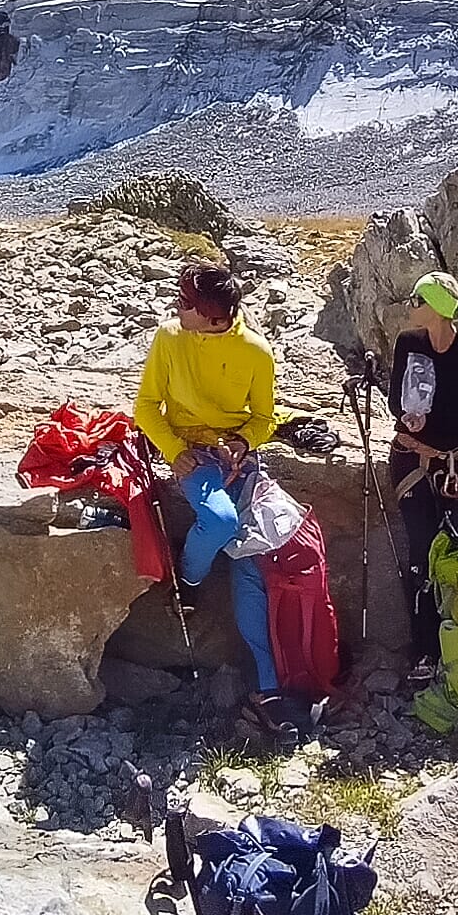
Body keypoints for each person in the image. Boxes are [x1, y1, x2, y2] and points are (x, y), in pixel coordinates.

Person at [133, 259, 290, 727]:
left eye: (188, 304)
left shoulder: (257, 353)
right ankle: (187, 579)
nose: (178, 308)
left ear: (214, 316)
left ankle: (267, 689)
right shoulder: (169, 339)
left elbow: (264, 418)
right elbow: (145, 406)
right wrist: (176, 451)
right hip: (190, 454)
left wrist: (242, 444)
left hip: (235, 457)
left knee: (250, 564)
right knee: (221, 521)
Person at [386, 272, 458, 637]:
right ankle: (425, 644)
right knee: (422, 542)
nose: (411, 306)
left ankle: (457, 637)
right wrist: (406, 417)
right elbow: (393, 400)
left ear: (437, 309)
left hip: (454, 461)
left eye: (418, 300)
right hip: (411, 457)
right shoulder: (407, 343)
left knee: (453, 542)